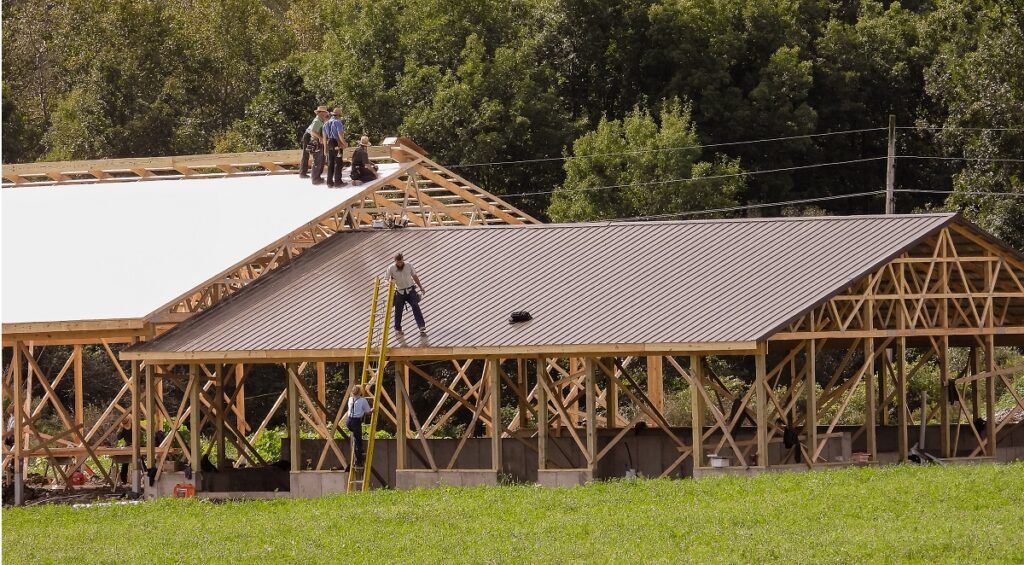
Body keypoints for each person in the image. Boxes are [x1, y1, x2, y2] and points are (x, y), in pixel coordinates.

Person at [386, 253, 426, 335]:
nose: (400, 264)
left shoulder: (409, 265)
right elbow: (386, 279)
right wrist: (390, 282)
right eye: (398, 262)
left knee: (416, 306)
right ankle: (398, 328)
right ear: (395, 261)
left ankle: (421, 326)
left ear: (403, 260)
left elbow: (415, 276)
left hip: (410, 290)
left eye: (401, 262)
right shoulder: (391, 268)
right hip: (399, 292)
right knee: (398, 310)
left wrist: (421, 287)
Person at [347, 385, 372, 467]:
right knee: (358, 442)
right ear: (360, 392)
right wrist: (372, 410)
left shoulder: (350, 399)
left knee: (356, 439)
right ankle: (358, 461)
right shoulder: (363, 400)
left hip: (349, 421)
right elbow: (368, 412)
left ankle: (360, 454)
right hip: (356, 421)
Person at [323, 107, 347, 187]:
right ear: (339, 115)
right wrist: (344, 143)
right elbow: (340, 135)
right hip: (336, 143)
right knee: (338, 162)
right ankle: (338, 181)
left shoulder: (326, 123)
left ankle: (329, 182)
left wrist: (325, 149)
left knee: (331, 163)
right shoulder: (338, 122)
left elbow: (324, 138)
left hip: (329, 143)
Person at [309, 106, 330, 185]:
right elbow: (313, 131)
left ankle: (317, 177)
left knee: (320, 161)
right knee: (317, 161)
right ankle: (315, 179)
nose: (325, 114)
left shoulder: (320, 120)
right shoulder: (317, 121)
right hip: (316, 143)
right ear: (320, 112)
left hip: (318, 142)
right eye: (324, 112)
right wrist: (321, 138)